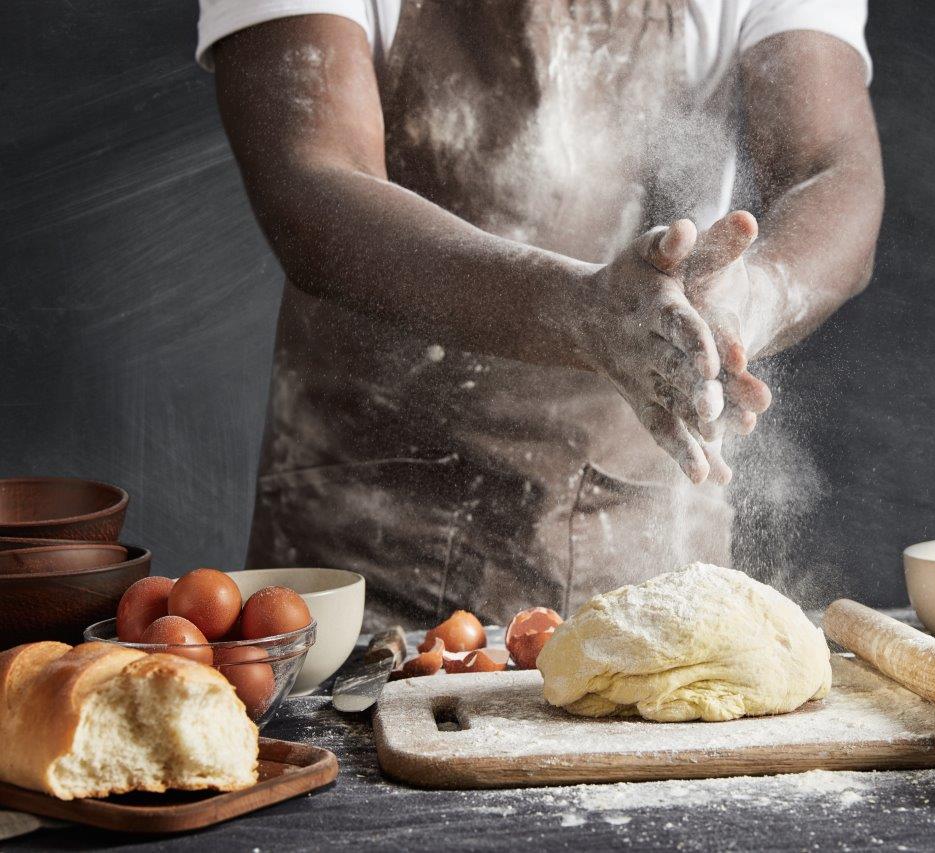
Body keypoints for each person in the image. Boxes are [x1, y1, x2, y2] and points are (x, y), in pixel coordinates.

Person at [198, 0, 883, 627]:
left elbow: (833, 168)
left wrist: (742, 300)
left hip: (642, 543)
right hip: (366, 548)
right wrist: (580, 312)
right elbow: (314, 181)